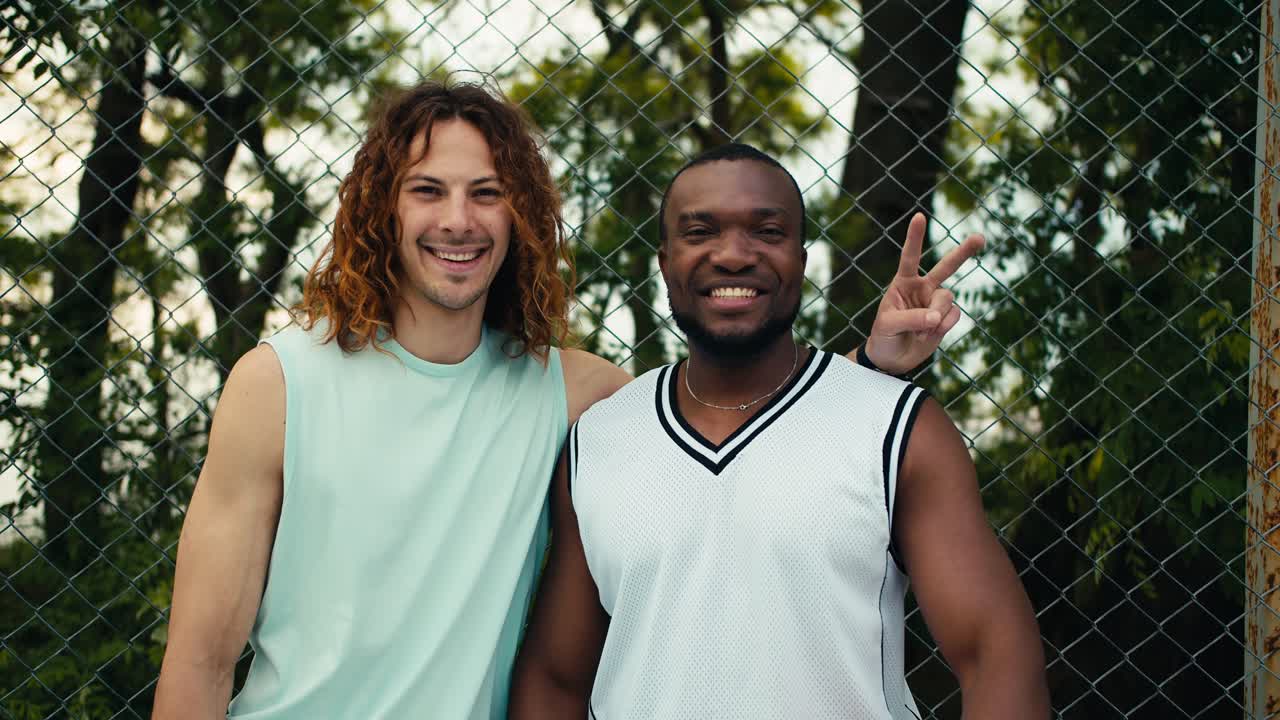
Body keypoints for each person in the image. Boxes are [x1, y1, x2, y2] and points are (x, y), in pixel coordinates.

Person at [151, 81, 981, 719]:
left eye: (486, 192)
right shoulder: (279, 382)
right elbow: (200, 658)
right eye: (427, 190)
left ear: (521, 215)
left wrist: (874, 370)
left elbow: (752, 438)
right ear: (381, 207)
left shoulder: (578, 395)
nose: (459, 220)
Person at [509, 144, 1050, 720]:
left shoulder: (897, 427)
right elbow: (555, 678)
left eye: (767, 231)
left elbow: (996, 654)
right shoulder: (600, 439)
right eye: (700, 231)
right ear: (665, 262)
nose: (735, 255)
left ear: (800, 256)